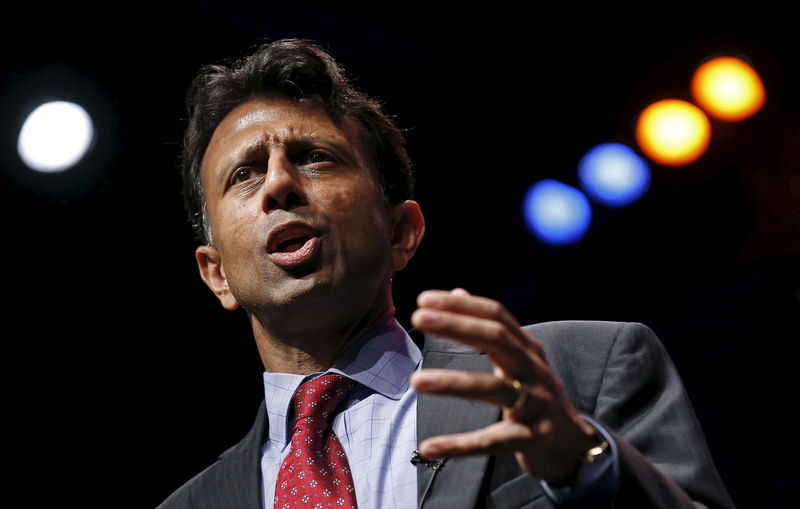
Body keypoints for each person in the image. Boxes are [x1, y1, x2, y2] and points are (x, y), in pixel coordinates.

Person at [158, 39, 734, 509]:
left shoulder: (581, 371)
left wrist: (585, 464)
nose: (280, 184)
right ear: (217, 276)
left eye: (314, 156)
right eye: (244, 175)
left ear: (402, 232)